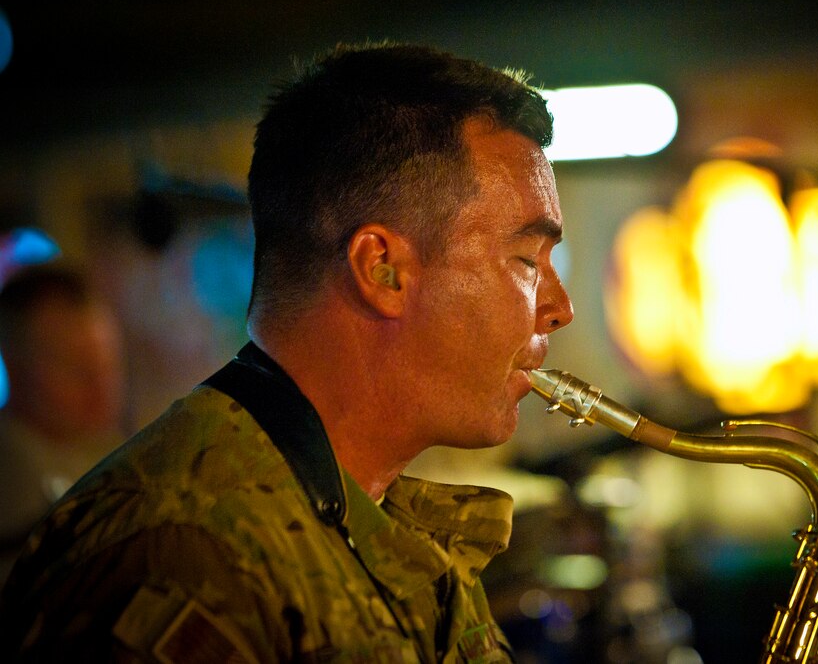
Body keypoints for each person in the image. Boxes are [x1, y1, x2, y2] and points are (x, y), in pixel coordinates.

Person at [0, 40, 574, 662]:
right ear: (382, 269)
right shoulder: (185, 556)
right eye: (526, 259)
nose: (559, 307)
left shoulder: (374, 522)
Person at [0, 264, 127, 586]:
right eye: (75, 367)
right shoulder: (13, 483)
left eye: (107, 362)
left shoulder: (112, 450)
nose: (100, 384)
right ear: (15, 368)